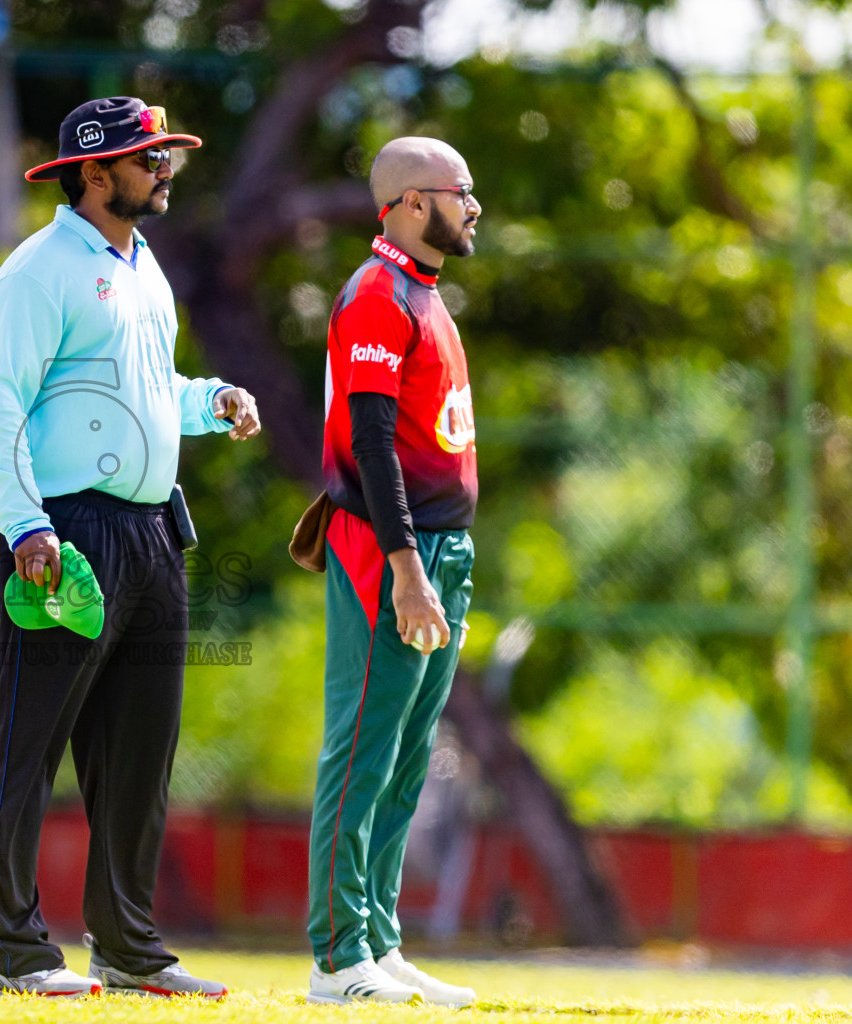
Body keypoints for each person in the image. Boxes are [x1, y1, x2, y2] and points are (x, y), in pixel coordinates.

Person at [0, 96, 261, 998]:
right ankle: (13, 953)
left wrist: (210, 401)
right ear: (94, 175)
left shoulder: (144, 267)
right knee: (30, 746)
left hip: (151, 531)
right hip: (67, 531)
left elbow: (148, 388)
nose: (162, 170)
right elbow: (0, 406)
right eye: (146, 159)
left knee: (140, 753)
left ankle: (129, 948)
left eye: (163, 156)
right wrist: (25, 524)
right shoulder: (38, 271)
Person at [304, 136, 482, 1007]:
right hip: (388, 550)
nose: (472, 207)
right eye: (461, 192)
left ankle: (377, 938)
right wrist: (408, 567)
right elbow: (370, 444)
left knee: (410, 754)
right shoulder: (375, 294)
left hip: (444, 549)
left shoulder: (424, 291)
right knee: (364, 746)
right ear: (414, 203)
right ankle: (337, 958)